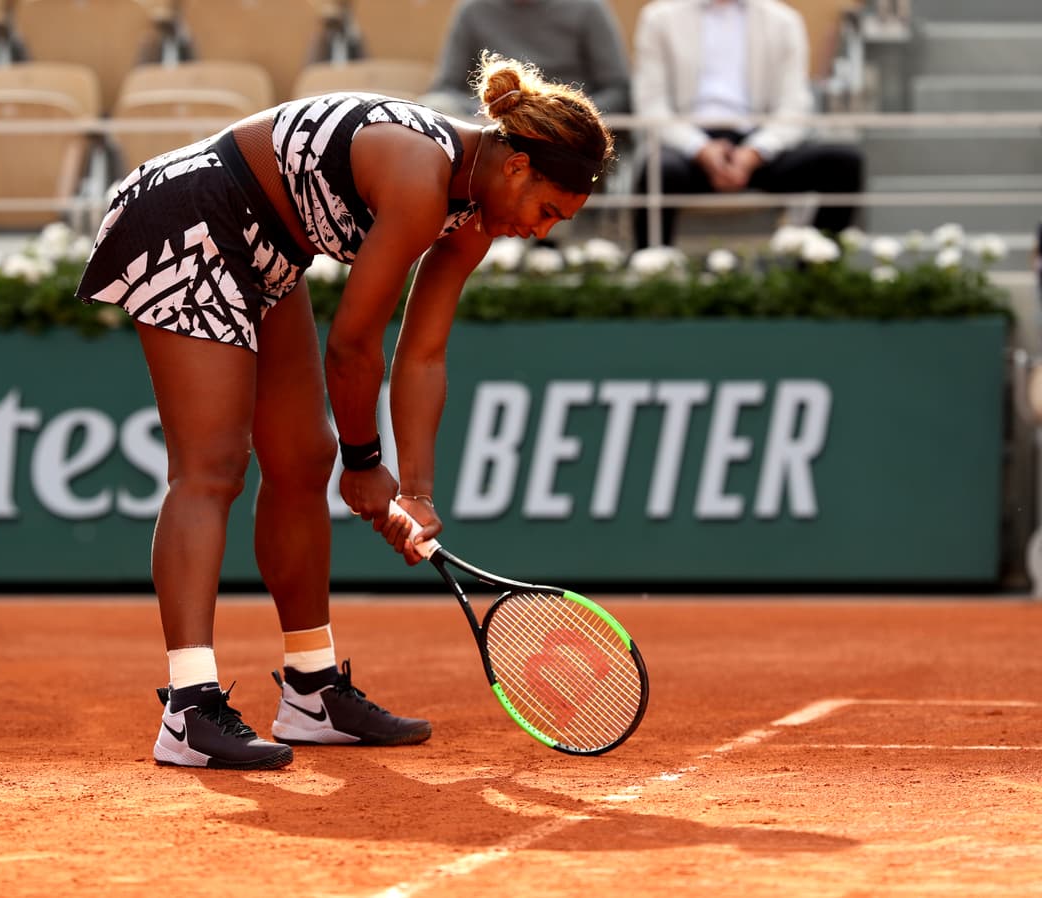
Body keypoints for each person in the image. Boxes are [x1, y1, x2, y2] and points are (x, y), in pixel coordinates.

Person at [74, 53, 614, 770]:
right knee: (212, 466)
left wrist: (415, 492)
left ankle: (311, 688)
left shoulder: (473, 218)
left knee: (302, 459)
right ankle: (188, 705)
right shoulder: (424, 179)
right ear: (516, 167)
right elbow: (354, 346)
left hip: (269, 248)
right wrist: (367, 464)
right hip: (187, 213)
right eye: (548, 211)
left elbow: (421, 356)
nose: (543, 230)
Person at [631, 0, 865, 249]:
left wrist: (755, 152)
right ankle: (653, 272)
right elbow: (651, 105)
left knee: (845, 163)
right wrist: (700, 148)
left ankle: (816, 271)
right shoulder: (659, 18)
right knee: (656, 170)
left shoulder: (784, 21)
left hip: (760, 144)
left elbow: (794, 106)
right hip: (686, 146)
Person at [421, 0, 632, 120]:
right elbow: (445, 89)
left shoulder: (588, 9)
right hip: (491, 129)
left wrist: (567, 114)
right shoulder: (472, 11)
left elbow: (618, 90)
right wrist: (487, 111)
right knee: (433, 107)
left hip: (567, 133)